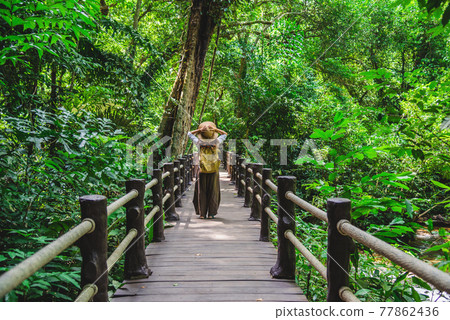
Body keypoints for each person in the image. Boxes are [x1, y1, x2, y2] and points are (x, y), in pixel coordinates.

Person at [188, 122, 227, 219]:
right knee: (213, 190)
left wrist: (199, 131)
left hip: (202, 168)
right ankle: (211, 213)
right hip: (213, 169)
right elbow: (225, 134)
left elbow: (189, 134)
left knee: (202, 190)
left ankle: (202, 214)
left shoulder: (199, 142)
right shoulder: (216, 141)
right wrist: (215, 129)